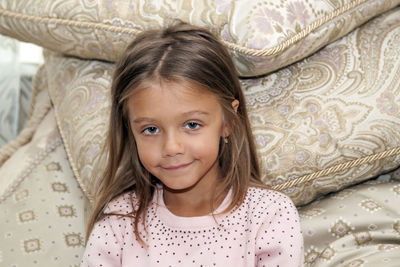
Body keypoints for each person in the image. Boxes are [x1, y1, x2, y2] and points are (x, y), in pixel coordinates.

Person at [81, 22, 304, 267]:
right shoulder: (118, 221)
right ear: (130, 131)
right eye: (151, 129)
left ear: (228, 121)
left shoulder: (268, 215)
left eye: (192, 125)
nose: (172, 147)